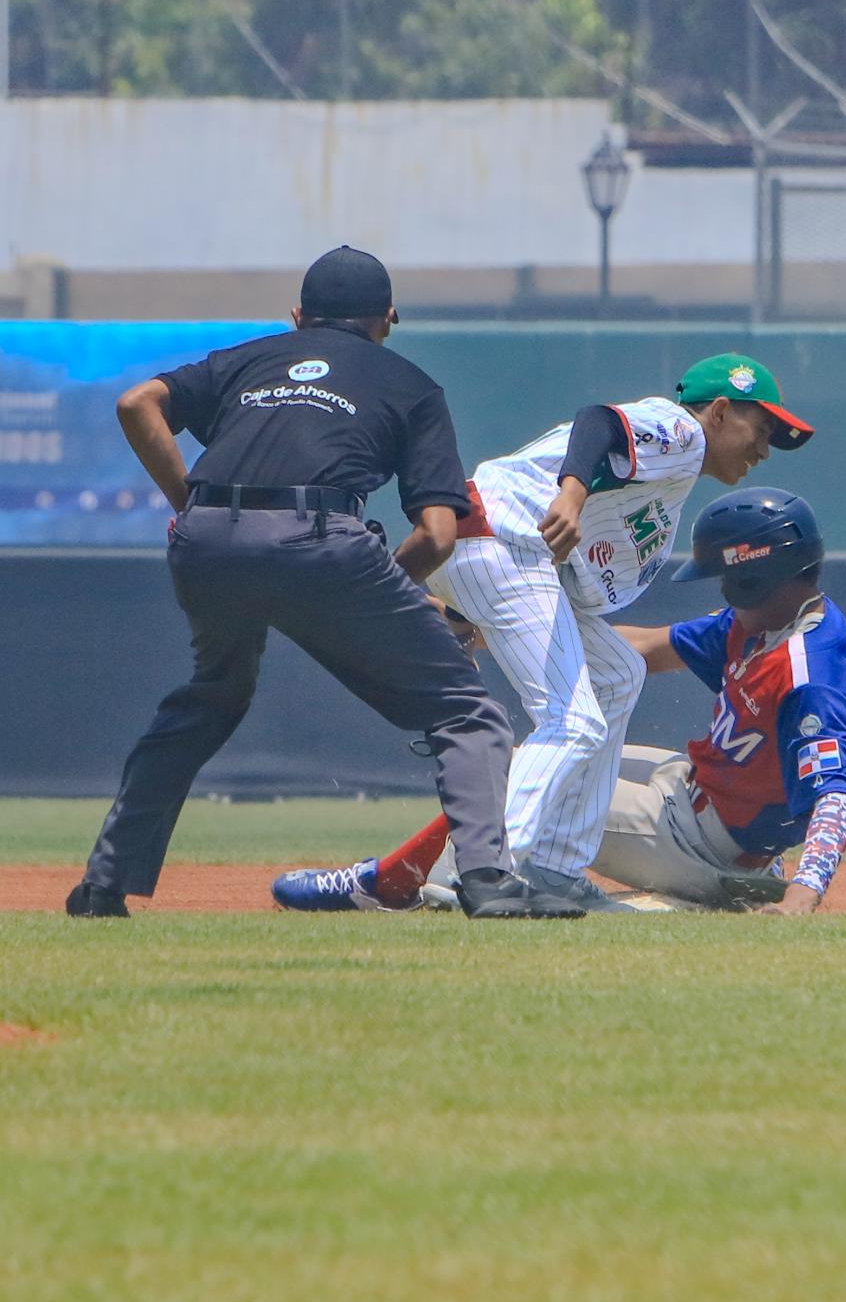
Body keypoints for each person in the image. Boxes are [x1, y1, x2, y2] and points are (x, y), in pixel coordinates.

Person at [66, 245, 577, 922]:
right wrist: (378, 600)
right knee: (465, 711)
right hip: (322, 544)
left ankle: (104, 884)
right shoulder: (410, 383)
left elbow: (137, 403)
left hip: (208, 543)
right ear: (388, 318)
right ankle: (484, 880)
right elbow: (437, 535)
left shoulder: (244, 359)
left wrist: (190, 506)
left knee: (210, 697)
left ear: (298, 316)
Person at [272, 356, 814, 916]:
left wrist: (466, 613)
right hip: (498, 541)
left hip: (504, 552)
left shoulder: (666, 476)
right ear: (721, 412)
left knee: (617, 674)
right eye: (762, 427)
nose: (765, 448)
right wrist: (572, 494)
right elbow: (599, 421)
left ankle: (556, 868)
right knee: (571, 718)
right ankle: (478, 869)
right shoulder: (682, 433)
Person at [593, 486, 846, 914]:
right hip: (688, 788)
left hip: (699, 843)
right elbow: (643, 646)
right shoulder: (768, 623)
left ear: (755, 579)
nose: (722, 588)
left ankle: (465, 884)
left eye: (725, 576)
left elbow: (834, 798)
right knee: (556, 758)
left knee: (522, 778)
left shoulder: (807, 673)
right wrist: (512, 635)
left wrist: (800, 897)